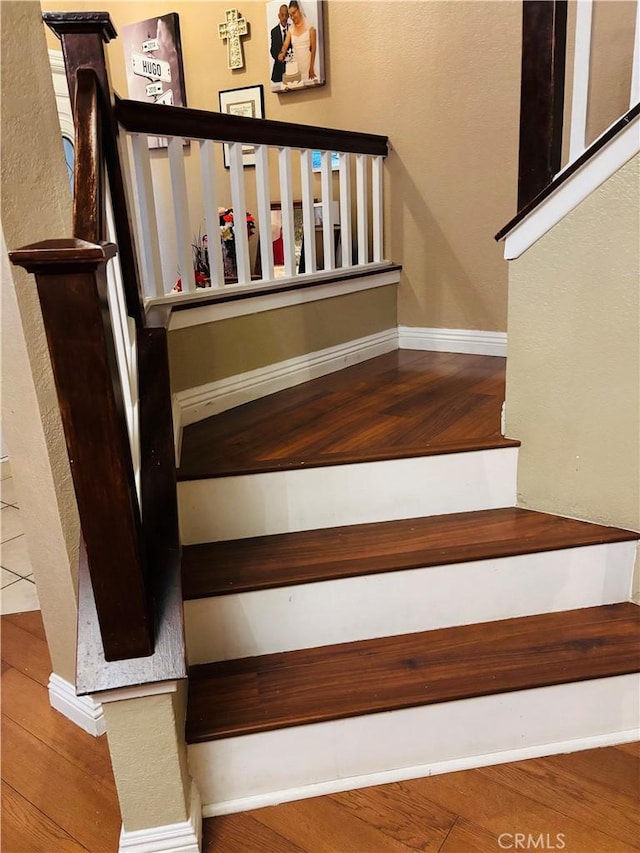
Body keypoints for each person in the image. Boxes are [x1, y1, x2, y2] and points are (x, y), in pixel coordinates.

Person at [278, 0, 317, 85]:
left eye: (294, 13)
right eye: (290, 15)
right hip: (296, 67)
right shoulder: (291, 29)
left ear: (299, 10)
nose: (292, 17)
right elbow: (285, 44)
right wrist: (282, 53)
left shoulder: (310, 27)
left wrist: (311, 68)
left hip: (307, 64)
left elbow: (313, 49)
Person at [270, 5, 290, 84]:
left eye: (286, 15)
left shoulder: (292, 29)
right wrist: (278, 56)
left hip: (290, 65)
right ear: (279, 16)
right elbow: (272, 49)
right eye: (282, 15)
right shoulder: (274, 31)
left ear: (288, 16)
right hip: (279, 68)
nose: (284, 18)